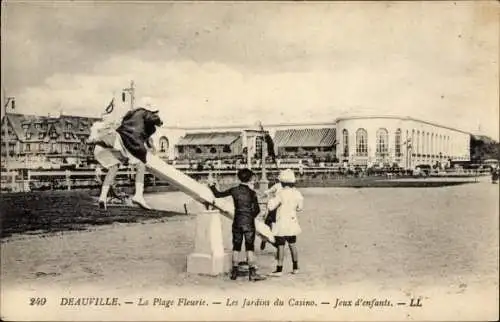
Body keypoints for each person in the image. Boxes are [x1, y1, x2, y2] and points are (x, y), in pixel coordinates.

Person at [208, 168, 266, 281]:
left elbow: (218, 194)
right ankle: (252, 273)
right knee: (249, 247)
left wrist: (211, 186)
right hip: (248, 222)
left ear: (239, 178)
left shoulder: (234, 190)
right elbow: (257, 210)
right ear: (250, 179)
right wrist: (249, 217)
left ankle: (234, 272)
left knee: (236, 246)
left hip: (237, 221)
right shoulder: (252, 193)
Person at [267, 169, 304, 276]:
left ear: (282, 182)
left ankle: (279, 269)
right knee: (293, 245)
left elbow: (271, 206)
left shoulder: (280, 193)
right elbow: (300, 208)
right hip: (292, 222)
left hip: (281, 223)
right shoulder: (297, 193)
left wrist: (270, 198)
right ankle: (296, 267)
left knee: (280, 246)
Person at [260, 179, 282, 251]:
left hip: (278, 208)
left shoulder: (279, 185)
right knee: (268, 224)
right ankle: (265, 239)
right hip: (275, 207)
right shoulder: (278, 185)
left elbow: (268, 191)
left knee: (270, 225)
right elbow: (269, 191)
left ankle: (266, 240)